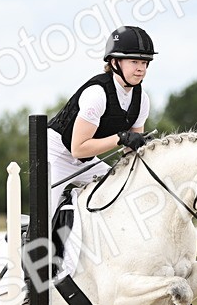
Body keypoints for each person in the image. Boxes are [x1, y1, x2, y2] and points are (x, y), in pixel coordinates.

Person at [46, 25, 156, 218]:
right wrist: (121, 138)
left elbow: (131, 151)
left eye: (145, 62)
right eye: (134, 61)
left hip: (86, 160)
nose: (141, 68)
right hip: (56, 155)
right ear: (115, 63)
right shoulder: (97, 94)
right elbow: (78, 149)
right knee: (45, 219)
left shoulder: (142, 100)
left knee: (122, 193)